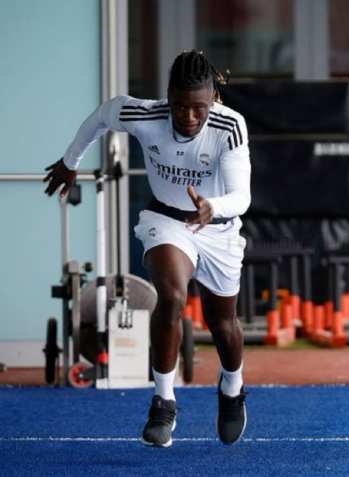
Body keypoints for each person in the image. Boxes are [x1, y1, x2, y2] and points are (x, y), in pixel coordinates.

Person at [44, 50, 252, 448]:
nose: (189, 117)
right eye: (179, 106)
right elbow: (103, 115)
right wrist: (72, 161)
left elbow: (242, 195)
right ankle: (163, 401)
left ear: (214, 99)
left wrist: (213, 207)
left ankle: (232, 387)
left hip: (219, 227)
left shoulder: (230, 126)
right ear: (168, 97)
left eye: (199, 108)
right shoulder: (146, 115)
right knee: (171, 297)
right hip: (167, 221)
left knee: (223, 326)